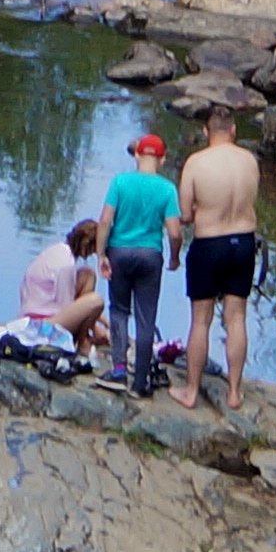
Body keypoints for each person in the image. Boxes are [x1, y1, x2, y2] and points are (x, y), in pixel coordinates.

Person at [172, 110, 263, 411]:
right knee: (236, 318)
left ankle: (191, 391)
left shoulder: (196, 163)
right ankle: (235, 392)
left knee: (201, 320)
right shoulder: (249, 160)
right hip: (244, 241)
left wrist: (196, 208)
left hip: (210, 243)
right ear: (233, 130)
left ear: (205, 131)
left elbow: (184, 215)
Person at [101, 132, 180, 388]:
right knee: (146, 317)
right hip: (150, 255)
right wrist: (175, 256)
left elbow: (105, 221)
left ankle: (119, 369)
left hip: (119, 252)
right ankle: (142, 379)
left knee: (119, 310)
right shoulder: (167, 189)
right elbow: (175, 232)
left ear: (137, 155)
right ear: (162, 159)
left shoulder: (120, 182)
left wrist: (101, 254)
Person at [16, 215, 114, 362]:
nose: (94, 253)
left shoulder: (58, 250)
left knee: (88, 275)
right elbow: (68, 307)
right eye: (94, 249)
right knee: (96, 301)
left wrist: (105, 323)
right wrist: (98, 328)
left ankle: (85, 337)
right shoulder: (65, 265)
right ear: (86, 246)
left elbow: (75, 305)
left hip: (36, 311)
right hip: (40, 324)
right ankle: (83, 342)